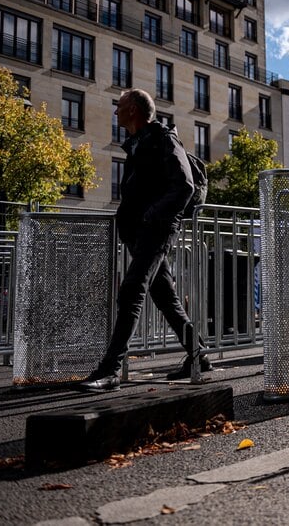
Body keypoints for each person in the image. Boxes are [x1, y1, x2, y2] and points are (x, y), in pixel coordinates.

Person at [78, 89, 212, 392]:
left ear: (134, 110)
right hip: (141, 232)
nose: (115, 113)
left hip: (157, 230)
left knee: (131, 290)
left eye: (120, 107)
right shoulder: (137, 145)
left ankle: (110, 369)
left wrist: (153, 215)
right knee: (165, 297)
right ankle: (199, 355)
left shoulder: (164, 140)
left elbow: (185, 186)